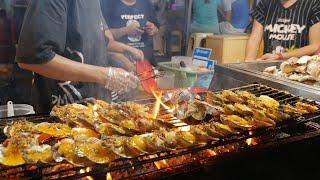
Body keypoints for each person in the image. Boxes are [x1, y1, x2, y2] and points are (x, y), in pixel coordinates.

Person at [16, 0, 144, 113]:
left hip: (95, 110)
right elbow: (34, 58)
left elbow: (98, 42)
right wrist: (107, 75)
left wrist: (124, 56)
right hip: (61, 117)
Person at [245, 0, 320, 61]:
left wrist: (280, 56)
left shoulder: (313, 4)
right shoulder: (264, 4)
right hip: (269, 68)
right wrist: (248, 63)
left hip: (300, 69)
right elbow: (254, 39)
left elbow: (314, 46)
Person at [100, 0, 159, 71]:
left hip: (147, 63)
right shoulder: (108, 3)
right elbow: (104, 36)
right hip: (121, 66)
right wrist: (126, 30)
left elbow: (156, 28)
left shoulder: (146, 3)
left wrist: (152, 29)